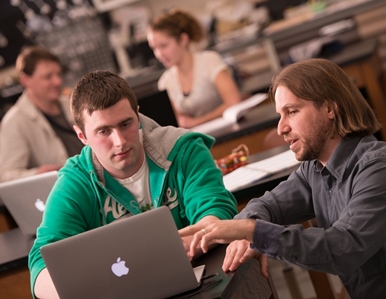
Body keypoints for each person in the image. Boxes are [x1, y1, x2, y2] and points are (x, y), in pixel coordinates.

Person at [180, 59, 386, 298]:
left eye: (292, 112)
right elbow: (269, 205)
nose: (281, 128)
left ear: (330, 109)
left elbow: (343, 249)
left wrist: (252, 231)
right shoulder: (315, 169)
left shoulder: (383, 170)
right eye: (280, 115)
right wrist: (243, 231)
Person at [28, 70, 238, 298]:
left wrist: (192, 243)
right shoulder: (76, 182)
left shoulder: (184, 149)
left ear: (138, 116)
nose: (119, 141)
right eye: (104, 131)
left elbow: (216, 210)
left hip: (202, 284)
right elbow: (41, 261)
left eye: (126, 124)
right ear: (82, 137)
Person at [0, 46, 83, 182]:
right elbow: (5, 177)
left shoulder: (71, 103)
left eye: (59, 74)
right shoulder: (15, 122)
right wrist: (39, 174)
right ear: (25, 80)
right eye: (48, 77)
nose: (57, 81)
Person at [147, 9, 241, 128]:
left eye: (164, 46)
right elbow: (177, 122)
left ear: (183, 39)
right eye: (154, 48)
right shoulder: (165, 82)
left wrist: (198, 122)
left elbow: (233, 101)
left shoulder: (209, 60)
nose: (159, 54)